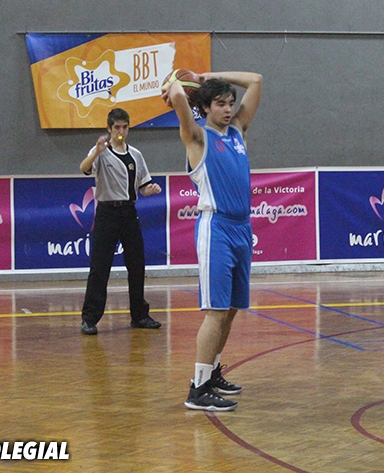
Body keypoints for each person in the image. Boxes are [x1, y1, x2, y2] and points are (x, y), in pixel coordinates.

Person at [162, 70, 263, 412]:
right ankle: (198, 387)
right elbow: (178, 94)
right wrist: (175, 84)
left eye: (231, 103)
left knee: (231, 309)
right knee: (216, 311)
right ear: (204, 107)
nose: (228, 109)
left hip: (241, 228)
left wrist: (209, 75)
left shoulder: (237, 131)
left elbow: (256, 80)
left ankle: (213, 371)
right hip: (216, 228)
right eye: (220, 103)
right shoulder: (197, 137)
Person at [79, 108, 163, 335]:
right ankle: (89, 318)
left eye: (125, 127)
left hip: (128, 213)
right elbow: (84, 168)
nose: (121, 131)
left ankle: (140, 315)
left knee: (136, 265)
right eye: (117, 127)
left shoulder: (135, 155)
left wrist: (151, 189)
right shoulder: (100, 151)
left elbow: (143, 186)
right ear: (109, 128)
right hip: (107, 213)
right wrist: (95, 153)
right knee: (100, 267)